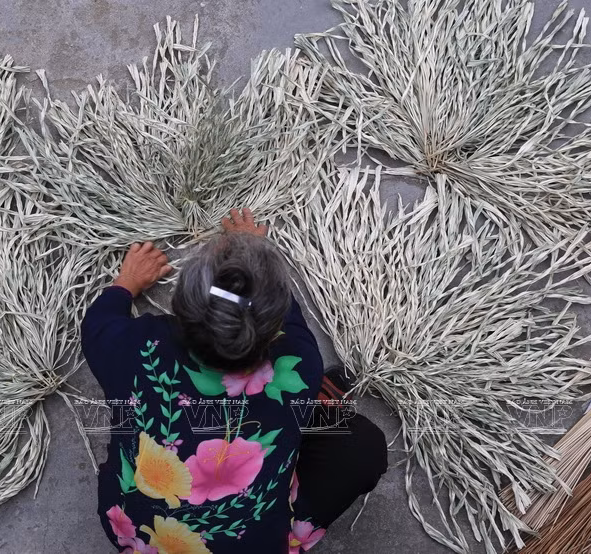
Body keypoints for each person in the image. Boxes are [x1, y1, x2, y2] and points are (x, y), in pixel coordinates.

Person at [82, 208, 388, 553]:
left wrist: (127, 282)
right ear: (275, 331)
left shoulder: (129, 347)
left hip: (142, 537)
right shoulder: (298, 365)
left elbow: (99, 320)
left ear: (180, 305)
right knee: (360, 445)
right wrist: (253, 258)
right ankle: (316, 410)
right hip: (252, 544)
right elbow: (284, 313)